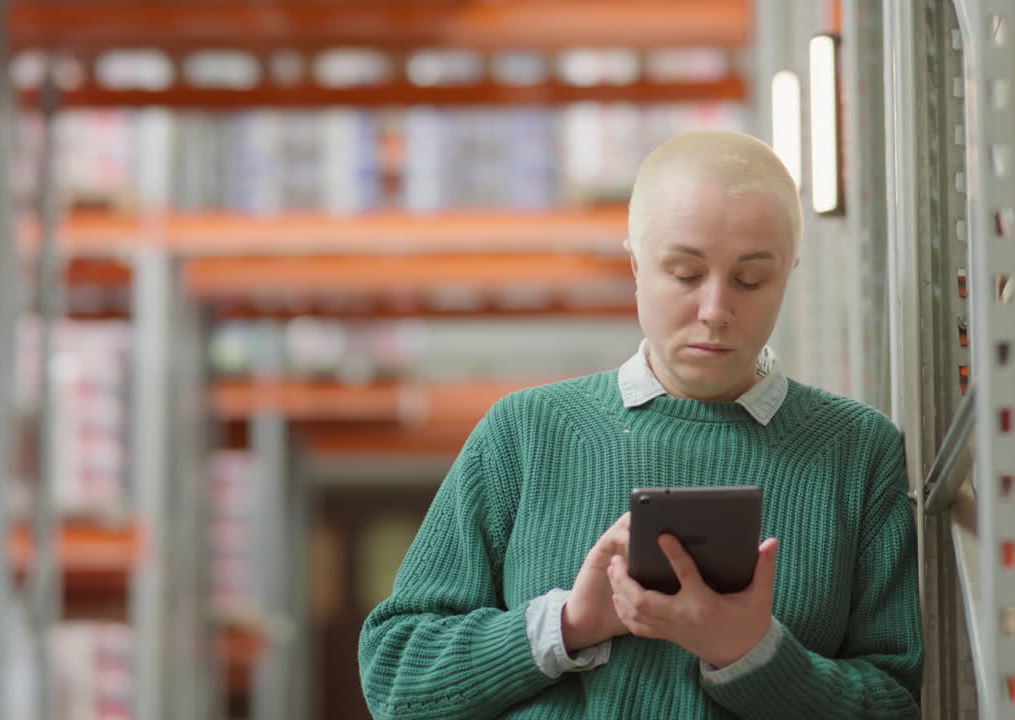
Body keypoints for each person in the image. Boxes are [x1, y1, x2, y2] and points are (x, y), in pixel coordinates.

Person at [358, 130, 922, 719]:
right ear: (635, 264)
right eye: (684, 273)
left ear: (790, 272)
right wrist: (570, 624)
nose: (715, 310)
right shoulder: (526, 434)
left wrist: (753, 656)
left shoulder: (857, 452)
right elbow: (396, 678)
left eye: (752, 280)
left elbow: (895, 704)